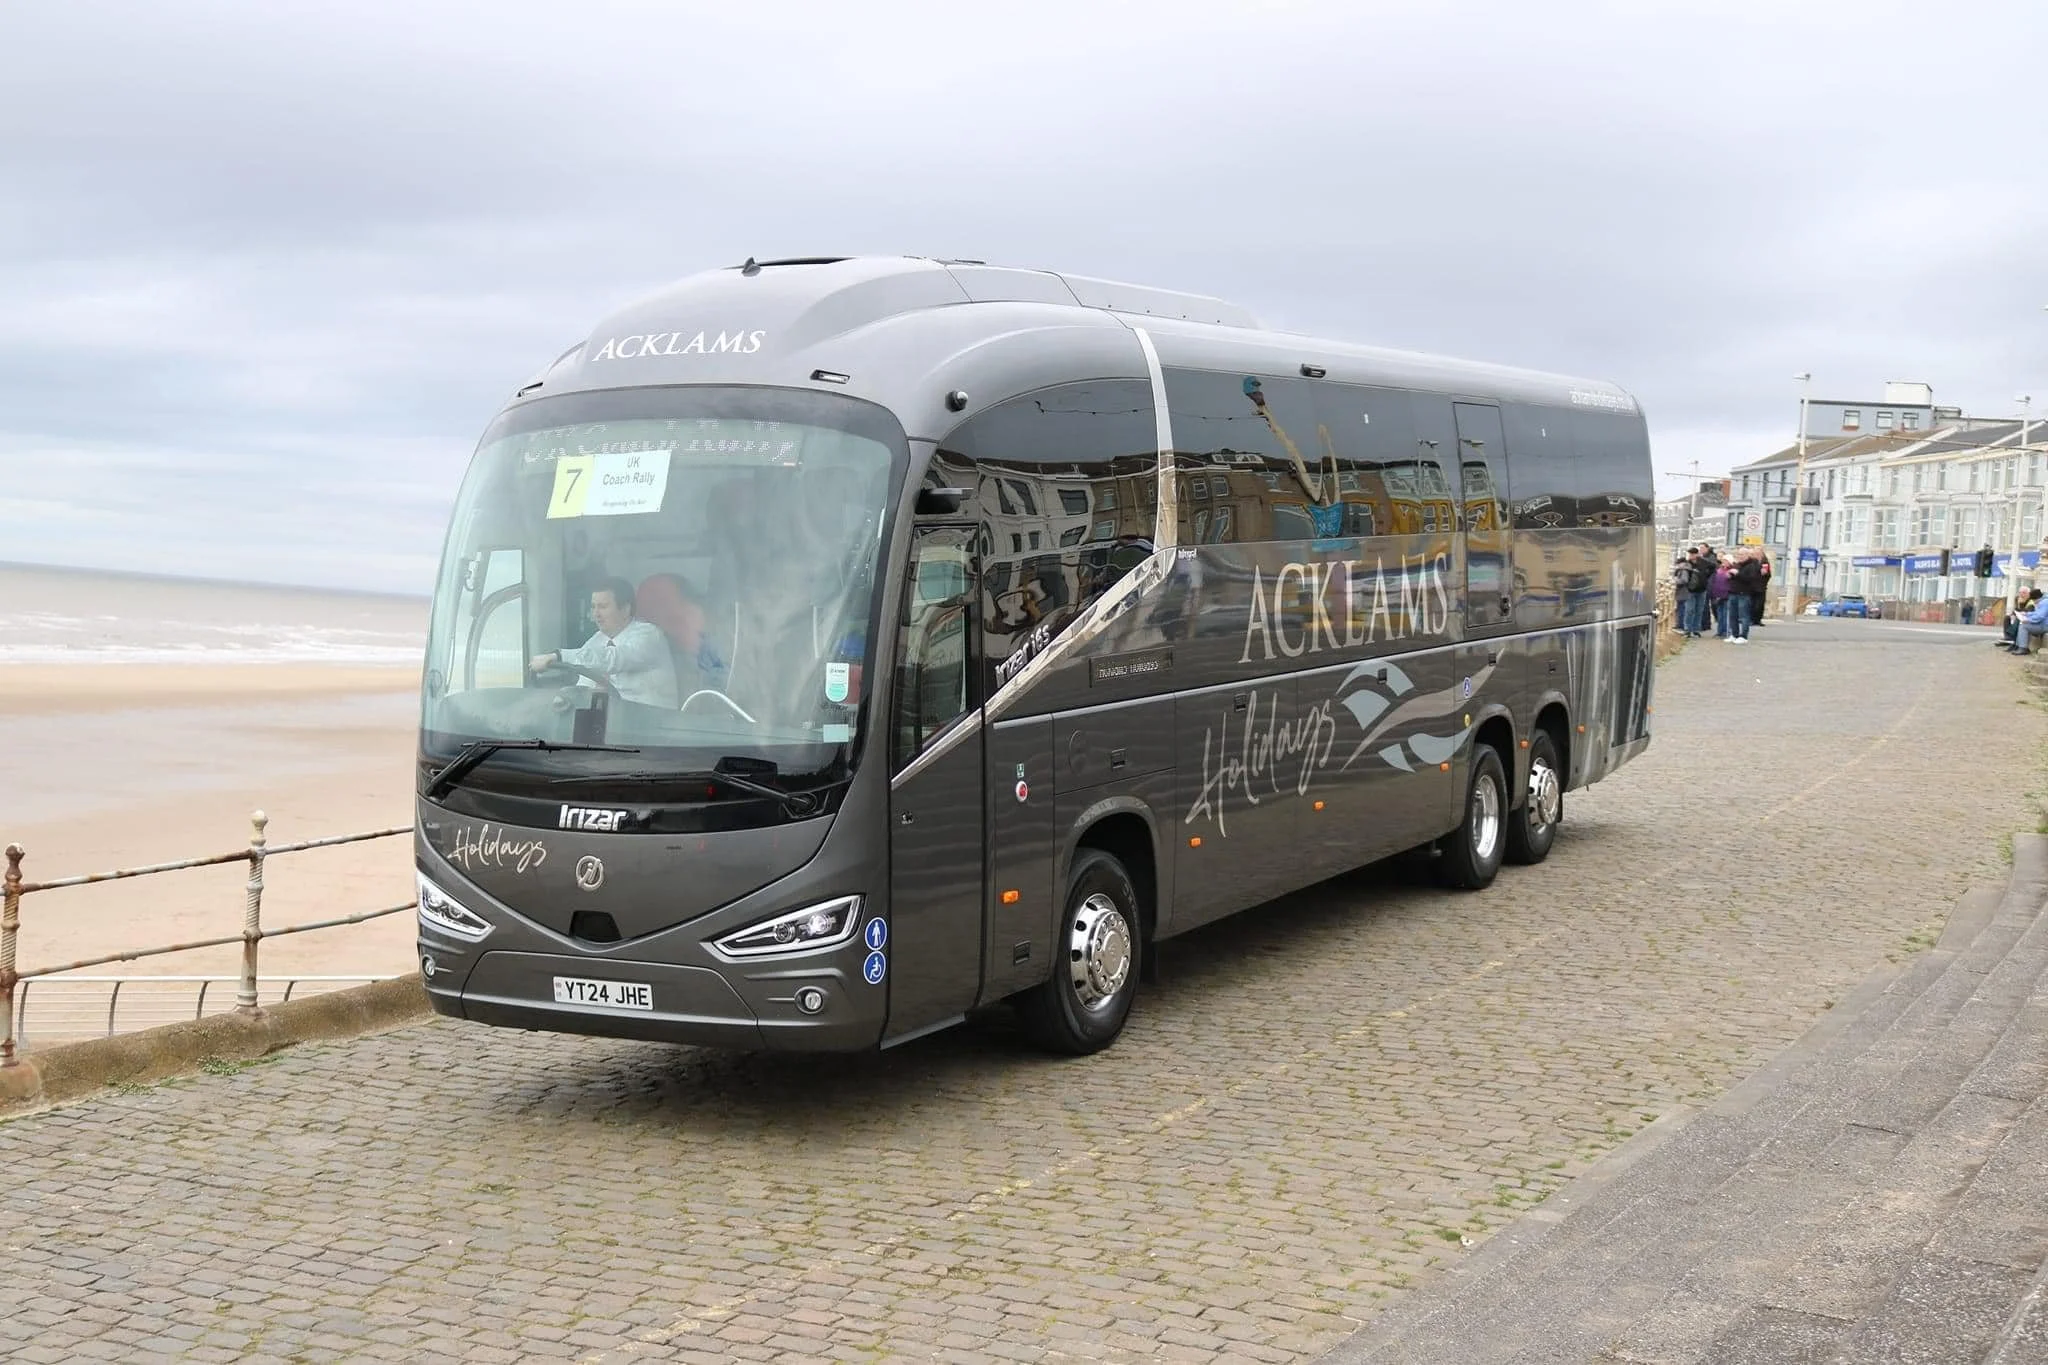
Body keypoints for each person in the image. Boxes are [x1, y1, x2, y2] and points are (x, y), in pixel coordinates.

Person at [530, 578, 680, 707]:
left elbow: (613, 658)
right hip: (615, 725)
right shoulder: (598, 639)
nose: (595, 614)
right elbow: (584, 674)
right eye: (593, 607)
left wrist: (558, 656)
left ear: (625, 610)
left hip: (653, 728)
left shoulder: (649, 636)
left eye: (603, 607)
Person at [1727, 549, 1764, 644]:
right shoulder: (1737, 564)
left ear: (1747, 555)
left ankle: (1743, 636)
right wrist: (1730, 575)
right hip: (1733, 592)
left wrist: (1738, 573)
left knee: (1744, 616)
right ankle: (1734, 634)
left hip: (1744, 593)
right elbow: (1734, 577)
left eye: (1742, 554)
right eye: (1739, 554)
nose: (1740, 556)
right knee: (1732, 615)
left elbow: (1750, 579)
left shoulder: (1752, 566)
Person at [2003, 590, 2048, 655]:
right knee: (2022, 623)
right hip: (2043, 624)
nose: (2034, 602)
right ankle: (2018, 646)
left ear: (2036, 599)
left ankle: (2023, 648)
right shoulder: (2044, 602)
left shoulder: (2045, 603)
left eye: (2033, 600)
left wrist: (2028, 620)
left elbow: (2040, 616)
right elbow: (2037, 613)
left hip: (2045, 625)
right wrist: (2027, 614)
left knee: (2024, 626)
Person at [1708, 554, 1734, 638]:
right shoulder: (1719, 570)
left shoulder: (1732, 570)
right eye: (1723, 561)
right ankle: (1720, 631)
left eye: (1726, 561)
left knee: (1726, 613)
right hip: (1718, 595)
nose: (1724, 562)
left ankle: (1726, 631)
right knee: (1719, 614)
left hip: (1727, 594)